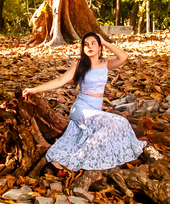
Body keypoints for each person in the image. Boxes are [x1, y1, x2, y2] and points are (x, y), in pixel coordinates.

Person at [23, 32, 146, 172]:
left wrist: (104, 42)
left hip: (95, 110)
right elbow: (59, 81)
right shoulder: (79, 64)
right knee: (117, 122)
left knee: (120, 124)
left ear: (99, 47)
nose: (89, 46)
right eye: (86, 44)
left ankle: (100, 156)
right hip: (81, 109)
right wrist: (35, 89)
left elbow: (124, 56)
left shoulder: (105, 64)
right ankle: (79, 158)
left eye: (93, 43)